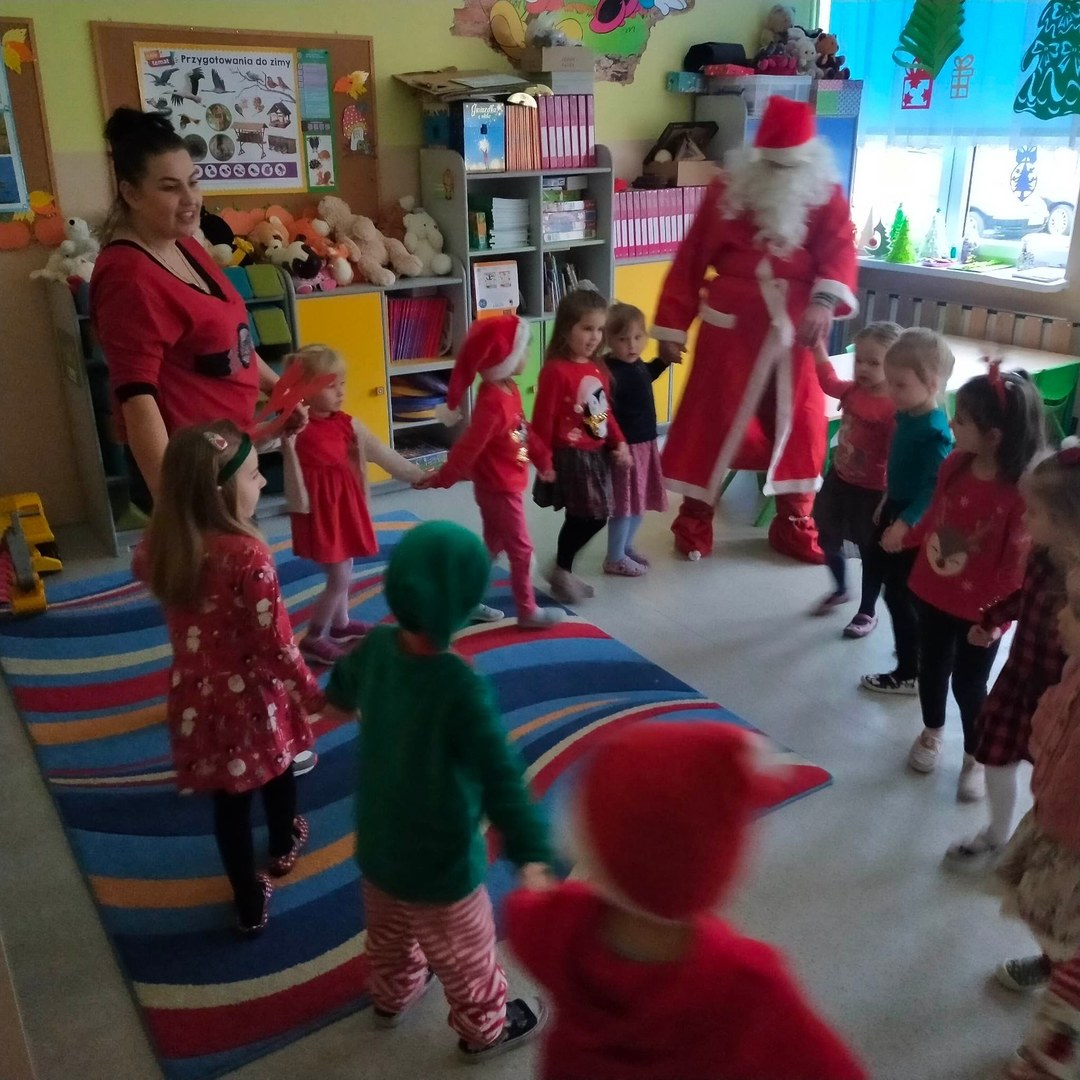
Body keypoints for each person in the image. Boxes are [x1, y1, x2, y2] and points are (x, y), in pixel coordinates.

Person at [505, 721, 868, 1080]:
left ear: (590, 854)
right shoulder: (748, 983)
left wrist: (534, 879)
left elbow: (521, 914)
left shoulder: (560, 923)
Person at [321, 521, 552, 1061]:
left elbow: (342, 689)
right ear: (461, 607)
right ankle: (486, 1028)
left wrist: (327, 702)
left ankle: (391, 996)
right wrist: (531, 852)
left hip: (379, 844)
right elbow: (500, 777)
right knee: (466, 954)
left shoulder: (377, 645)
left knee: (389, 934)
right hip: (441, 864)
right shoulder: (461, 687)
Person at [651, 95, 859, 565]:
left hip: (796, 329)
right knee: (713, 419)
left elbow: (840, 250)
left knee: (800, 422)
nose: (779, 173)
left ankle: (794, 523)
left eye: (788, 165)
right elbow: (691, 259)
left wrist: (825, 301)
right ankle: (694, 519)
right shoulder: (727, 189)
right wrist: (672, 326)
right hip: (730, 328)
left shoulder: (825, 193)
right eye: (771, 163)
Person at [134, 422, 323, 934]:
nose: (262, 483)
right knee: (279, 765)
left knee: (229, 801)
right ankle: (283, 843)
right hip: (255, 696)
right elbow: (277, 644)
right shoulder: (248, 555)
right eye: (255, 475)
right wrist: (310, 693)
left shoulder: (161, 546)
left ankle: (247, 900)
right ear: (221, 492)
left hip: (199, 697)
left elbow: (142, 566)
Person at [90, 107, 294, 509]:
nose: (190, 200)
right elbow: (137, 401)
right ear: (131, 193)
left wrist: (282, 392)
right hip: (193, 473)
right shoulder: (128, 278)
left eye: (193, 182)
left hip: (231, 454)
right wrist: (174, 505)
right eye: (170, 188)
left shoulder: (184, 243)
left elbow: (232, 343)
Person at [898, 366, 1045, 797]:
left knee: (968, 683)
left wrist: (997, 621)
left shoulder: (1018, 494)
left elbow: (1015, 565)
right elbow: (936, 515)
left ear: (994, 436)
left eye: (961, 419)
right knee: (931, 668)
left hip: (981, 612)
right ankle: (932, 731)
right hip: (933, 589)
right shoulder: (955, 464)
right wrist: (908, 535)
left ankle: (975, 754)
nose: (951, 421)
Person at [946, 445, 1079, 866]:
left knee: (1053, 774)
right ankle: (998, 833)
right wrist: (993, 619)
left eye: (1033, 513)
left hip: (1064, 694)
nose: (1023, 520)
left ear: (1067, 522)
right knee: (997, 752)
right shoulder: (1041, 555)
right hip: (1020, 675)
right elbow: (1025, 597)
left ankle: (1041, 844)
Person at [416, 315, 563, 629]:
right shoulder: (493, 402)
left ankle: (465, 599)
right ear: (503, 359)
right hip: (499, 490)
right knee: (521, 551)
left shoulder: (509, 389)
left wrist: (543, 460)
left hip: (506, 484)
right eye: (522, 350)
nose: (527, 355)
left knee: (493, 548)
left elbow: (523, 430)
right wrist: (443, 477)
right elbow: (469, 446)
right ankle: (528, 611)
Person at [281, 345, 423, 665]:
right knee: (340, 577)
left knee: (347, 567)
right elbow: (259, 439)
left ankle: (341, 624)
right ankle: (314, 637)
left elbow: (383, 454)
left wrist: (418, 476)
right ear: (304, 390)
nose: (341, 392)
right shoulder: (295, 427)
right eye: (331, 386)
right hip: (321, 515)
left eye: (342, 383)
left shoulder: (348, 424)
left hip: (344, 508)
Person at [995, 566, 1080, 1075]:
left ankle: (1051, 1058)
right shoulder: (1075, 667)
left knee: (1073, 989)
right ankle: (1055, 961)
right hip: (1056, 824)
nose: (1060, 617)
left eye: (1076, 610)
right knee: (1052, 925)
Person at [860, 329, 955, 696]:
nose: (891, 392)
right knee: (890, 586)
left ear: (931, 384)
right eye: (890, 382)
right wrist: (888, 498)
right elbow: (903, 469)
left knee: (900, 595)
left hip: (914, 519)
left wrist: (904, 523)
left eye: (900, 385)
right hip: (898, 507)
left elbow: (934, 488)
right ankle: (913, 648)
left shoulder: (933, 431)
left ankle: (910, 672)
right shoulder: (909, 413)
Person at [531, 288, 632, 603]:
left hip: (595, 454)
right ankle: (562, 570)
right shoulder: (555, 371)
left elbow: (602, 412)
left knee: (584, 516)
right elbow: (542, 421)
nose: (594, 337)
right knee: (592, 516)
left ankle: (562, 570)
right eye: (587, 328)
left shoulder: (595, 367)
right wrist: (543, 462)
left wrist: (619, 441)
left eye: (599, 329)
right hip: (571, 456)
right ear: (566, 329)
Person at [809, 322, 901, 635]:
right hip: (840, 479)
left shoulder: (894, 408)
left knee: (870, 554)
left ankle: (867, 611)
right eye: (859, 360)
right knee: (826, 536)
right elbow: (828, 381)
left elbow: (897, 457)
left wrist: (889, 497)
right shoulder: (853, 390)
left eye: (874, 363)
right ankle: (840, 588)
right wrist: (817, 345)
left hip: (872, 493)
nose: (863, 368)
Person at [602, 302, 673, 576]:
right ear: (609, 340)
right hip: (625, 448)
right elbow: (598, 413)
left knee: (639, 501)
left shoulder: (635, 364)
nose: (632, 345)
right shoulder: (609, 372)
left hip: (645, 444)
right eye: (623, 339)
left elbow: (646, 376)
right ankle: (614, 557)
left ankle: (625, 546)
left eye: (637, 337)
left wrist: (663, 361)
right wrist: (611, 444)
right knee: (625, 505)